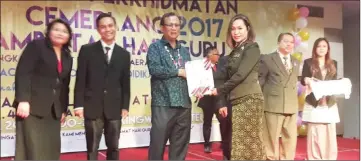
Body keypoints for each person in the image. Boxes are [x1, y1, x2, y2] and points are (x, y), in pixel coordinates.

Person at [74, 13, 131, 160]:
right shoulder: (87, 50)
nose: (107, 29)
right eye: (103, 27)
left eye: (110, 26)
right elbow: (80, 79)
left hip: (114, 107)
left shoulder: (124, 54)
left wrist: (125, 106)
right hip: (92, 106)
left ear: (116, 27)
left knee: (114, 147)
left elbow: (125, 83)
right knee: (92, 147)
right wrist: (78, 105)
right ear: (98, 30)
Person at [13, 18, 73, 160]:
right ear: (48, 31)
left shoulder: (67, 56)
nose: (60, 33)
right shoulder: (36, 46)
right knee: (31, 146)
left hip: (54, 110)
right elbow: (23, 72)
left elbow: (65, 84)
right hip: (32, 106)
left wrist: (63, 109)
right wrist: (23, 100)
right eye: (56, 29)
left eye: (64, 31)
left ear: (69, 36)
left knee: (51, 147)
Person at [210, 13, 266, 160]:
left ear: (248, 29)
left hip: (250, 100)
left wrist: (219, 90)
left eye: (240, 28)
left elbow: (240, 75)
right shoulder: (235, 51)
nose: (236, 32)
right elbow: (223, 76)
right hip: (236, 101)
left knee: (250, 143)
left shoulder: (252, 48)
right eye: (233, 29)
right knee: (239, 143)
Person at [146, 12, 192, 160]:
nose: (174, 28)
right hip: (163, 103)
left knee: (179, 147)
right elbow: (155, 69)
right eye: (170, 25)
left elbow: (191, 75)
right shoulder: (155, 48)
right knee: (157, 145)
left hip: (184, 104)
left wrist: (199, 87)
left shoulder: (184, 51)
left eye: (177, 25)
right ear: (162, 28)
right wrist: (178, 71)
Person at [258, 32, 300, 160]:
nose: (289, 44)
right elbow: (260, 81)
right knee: (270, 139)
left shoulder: (296, 61)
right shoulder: (267, 59)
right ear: (278, 43)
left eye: (291, 42)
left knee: (291, 138)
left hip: (291, 105)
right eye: (286, 41)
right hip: (273, 105)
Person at [301, 38, 339, 160]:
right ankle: (314, 157)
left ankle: (329, 157)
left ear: (328, 49)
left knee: (329, 131)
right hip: (314, 102)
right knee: (314, 132)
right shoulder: (308, 63)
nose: (322, 48)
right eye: (319, 46)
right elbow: (303, 79)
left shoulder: (334, 63)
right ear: (315, 48)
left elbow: (334, 82)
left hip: (329, 102)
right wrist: (306, 80)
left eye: (324, 46)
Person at [197, 46, 232, 160]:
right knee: (207, 123)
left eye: (218, 54)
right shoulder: (202, 68)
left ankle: (225, 143)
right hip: (207, 101)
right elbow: (198, 83)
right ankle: (207, 144)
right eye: (216, 54)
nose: (218, 56)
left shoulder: (221, 66)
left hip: (220, 100)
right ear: (209, 56)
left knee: (224, 122)